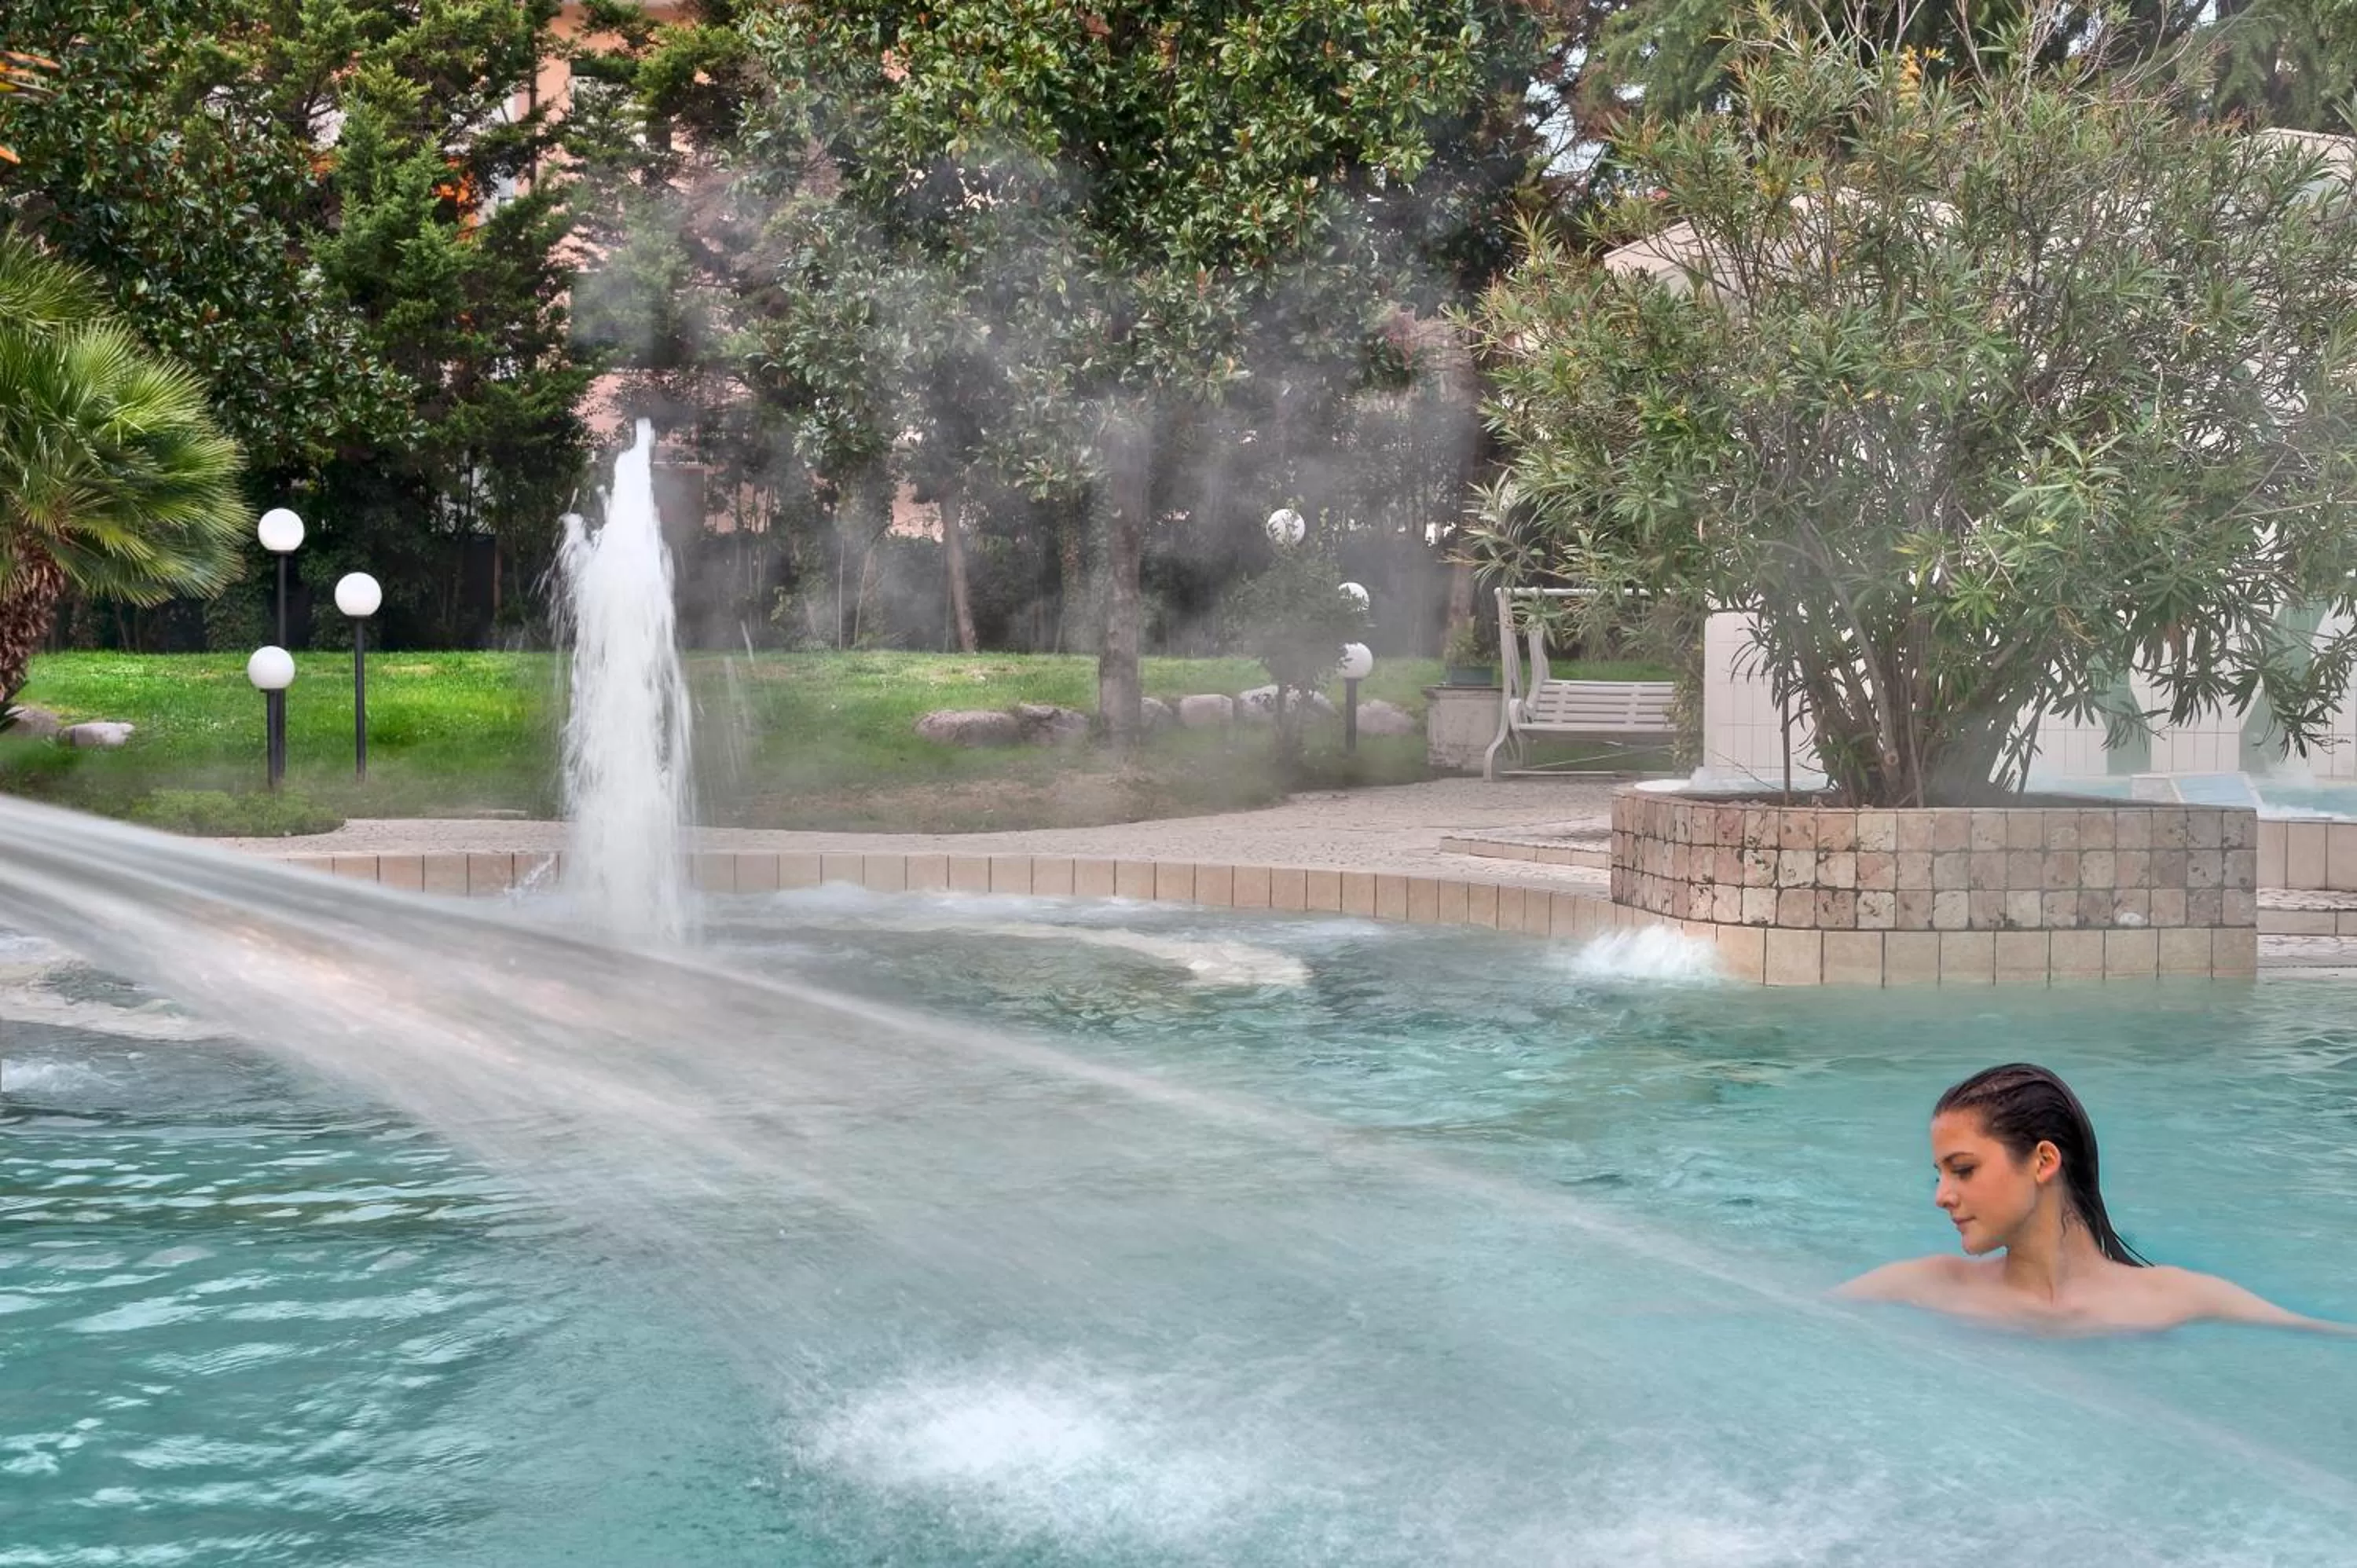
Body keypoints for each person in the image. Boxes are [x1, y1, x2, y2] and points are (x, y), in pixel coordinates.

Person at [1840, 1062, 2344, 1335]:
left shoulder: (2178, 1302)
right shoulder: (1916, 1288)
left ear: (2043, 1161)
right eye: (1940, 1175)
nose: (1942, 1197)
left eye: (1964, 1170)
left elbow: (2329, 1343)